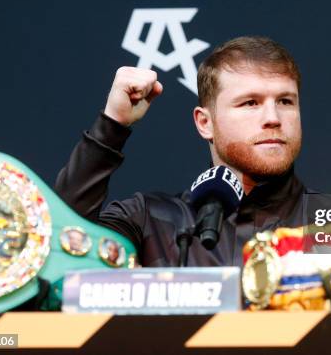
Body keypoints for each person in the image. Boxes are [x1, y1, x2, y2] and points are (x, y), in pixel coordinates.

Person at [55, 36, 309, 267]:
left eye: (285, 101)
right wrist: (112, 126)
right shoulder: (148, 219)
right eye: (250, 103)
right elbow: (63, 249)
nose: (273, 118)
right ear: (204, 123)